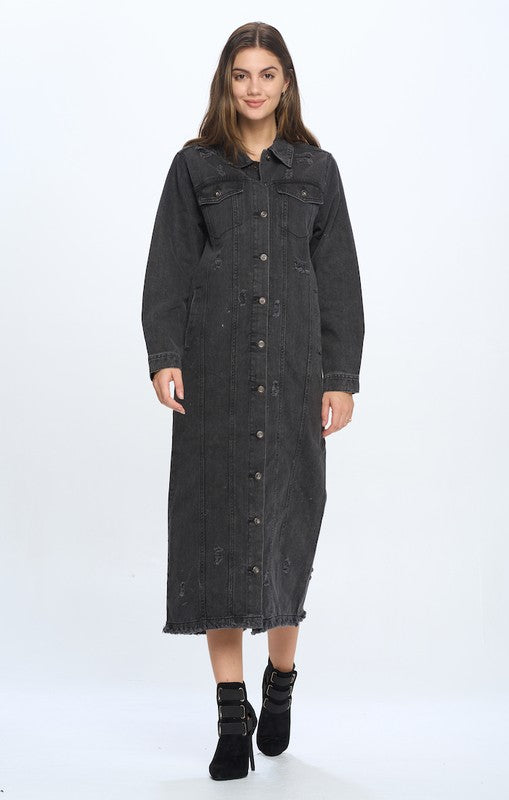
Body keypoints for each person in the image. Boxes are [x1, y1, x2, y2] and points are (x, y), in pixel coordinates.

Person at [141, 21, 365, 781]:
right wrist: (165, 358)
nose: (254, 87)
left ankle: (281, 680)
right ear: (225, 83)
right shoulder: (194, 166)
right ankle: (230, 713)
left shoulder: (317, 170)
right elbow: (169, 266)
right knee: (217, 538)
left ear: (286, 82)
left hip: (296, 375)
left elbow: (339, 279)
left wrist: (339, 376)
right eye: (242, 74)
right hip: (215, 376)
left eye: (268, 74)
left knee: (285, 532)